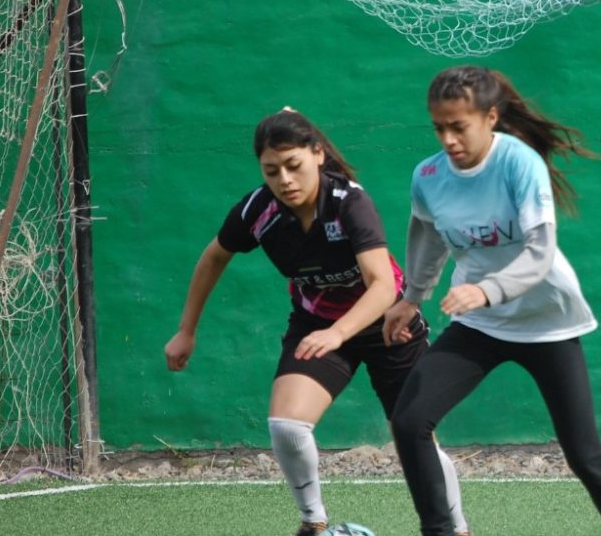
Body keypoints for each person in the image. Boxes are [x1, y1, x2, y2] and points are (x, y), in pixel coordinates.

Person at [163, 108, 469, 536]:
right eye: (272, 171)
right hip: (316, 325)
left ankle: (455, 529)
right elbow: (215, 256)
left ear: (318, 156)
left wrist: (339, 332)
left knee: (415, 437)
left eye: (294, 166)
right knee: (287, 426)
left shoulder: (349, 203)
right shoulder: (259, 210)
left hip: (387, 326)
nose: (285, 180)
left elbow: (381, 285)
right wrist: (186, 329)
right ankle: (313, 524)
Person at [384, 65, 601, 536]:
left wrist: (485, 289)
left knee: (584, 456)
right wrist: (412, 298)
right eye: (439, 127)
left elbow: (539, 252)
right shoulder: (428, 175)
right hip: (482, 323)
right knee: (409, 420)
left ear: (490, 117)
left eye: (458, 126)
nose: (448, 139)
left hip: (548, 322)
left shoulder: (519, 163)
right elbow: (426, 235)